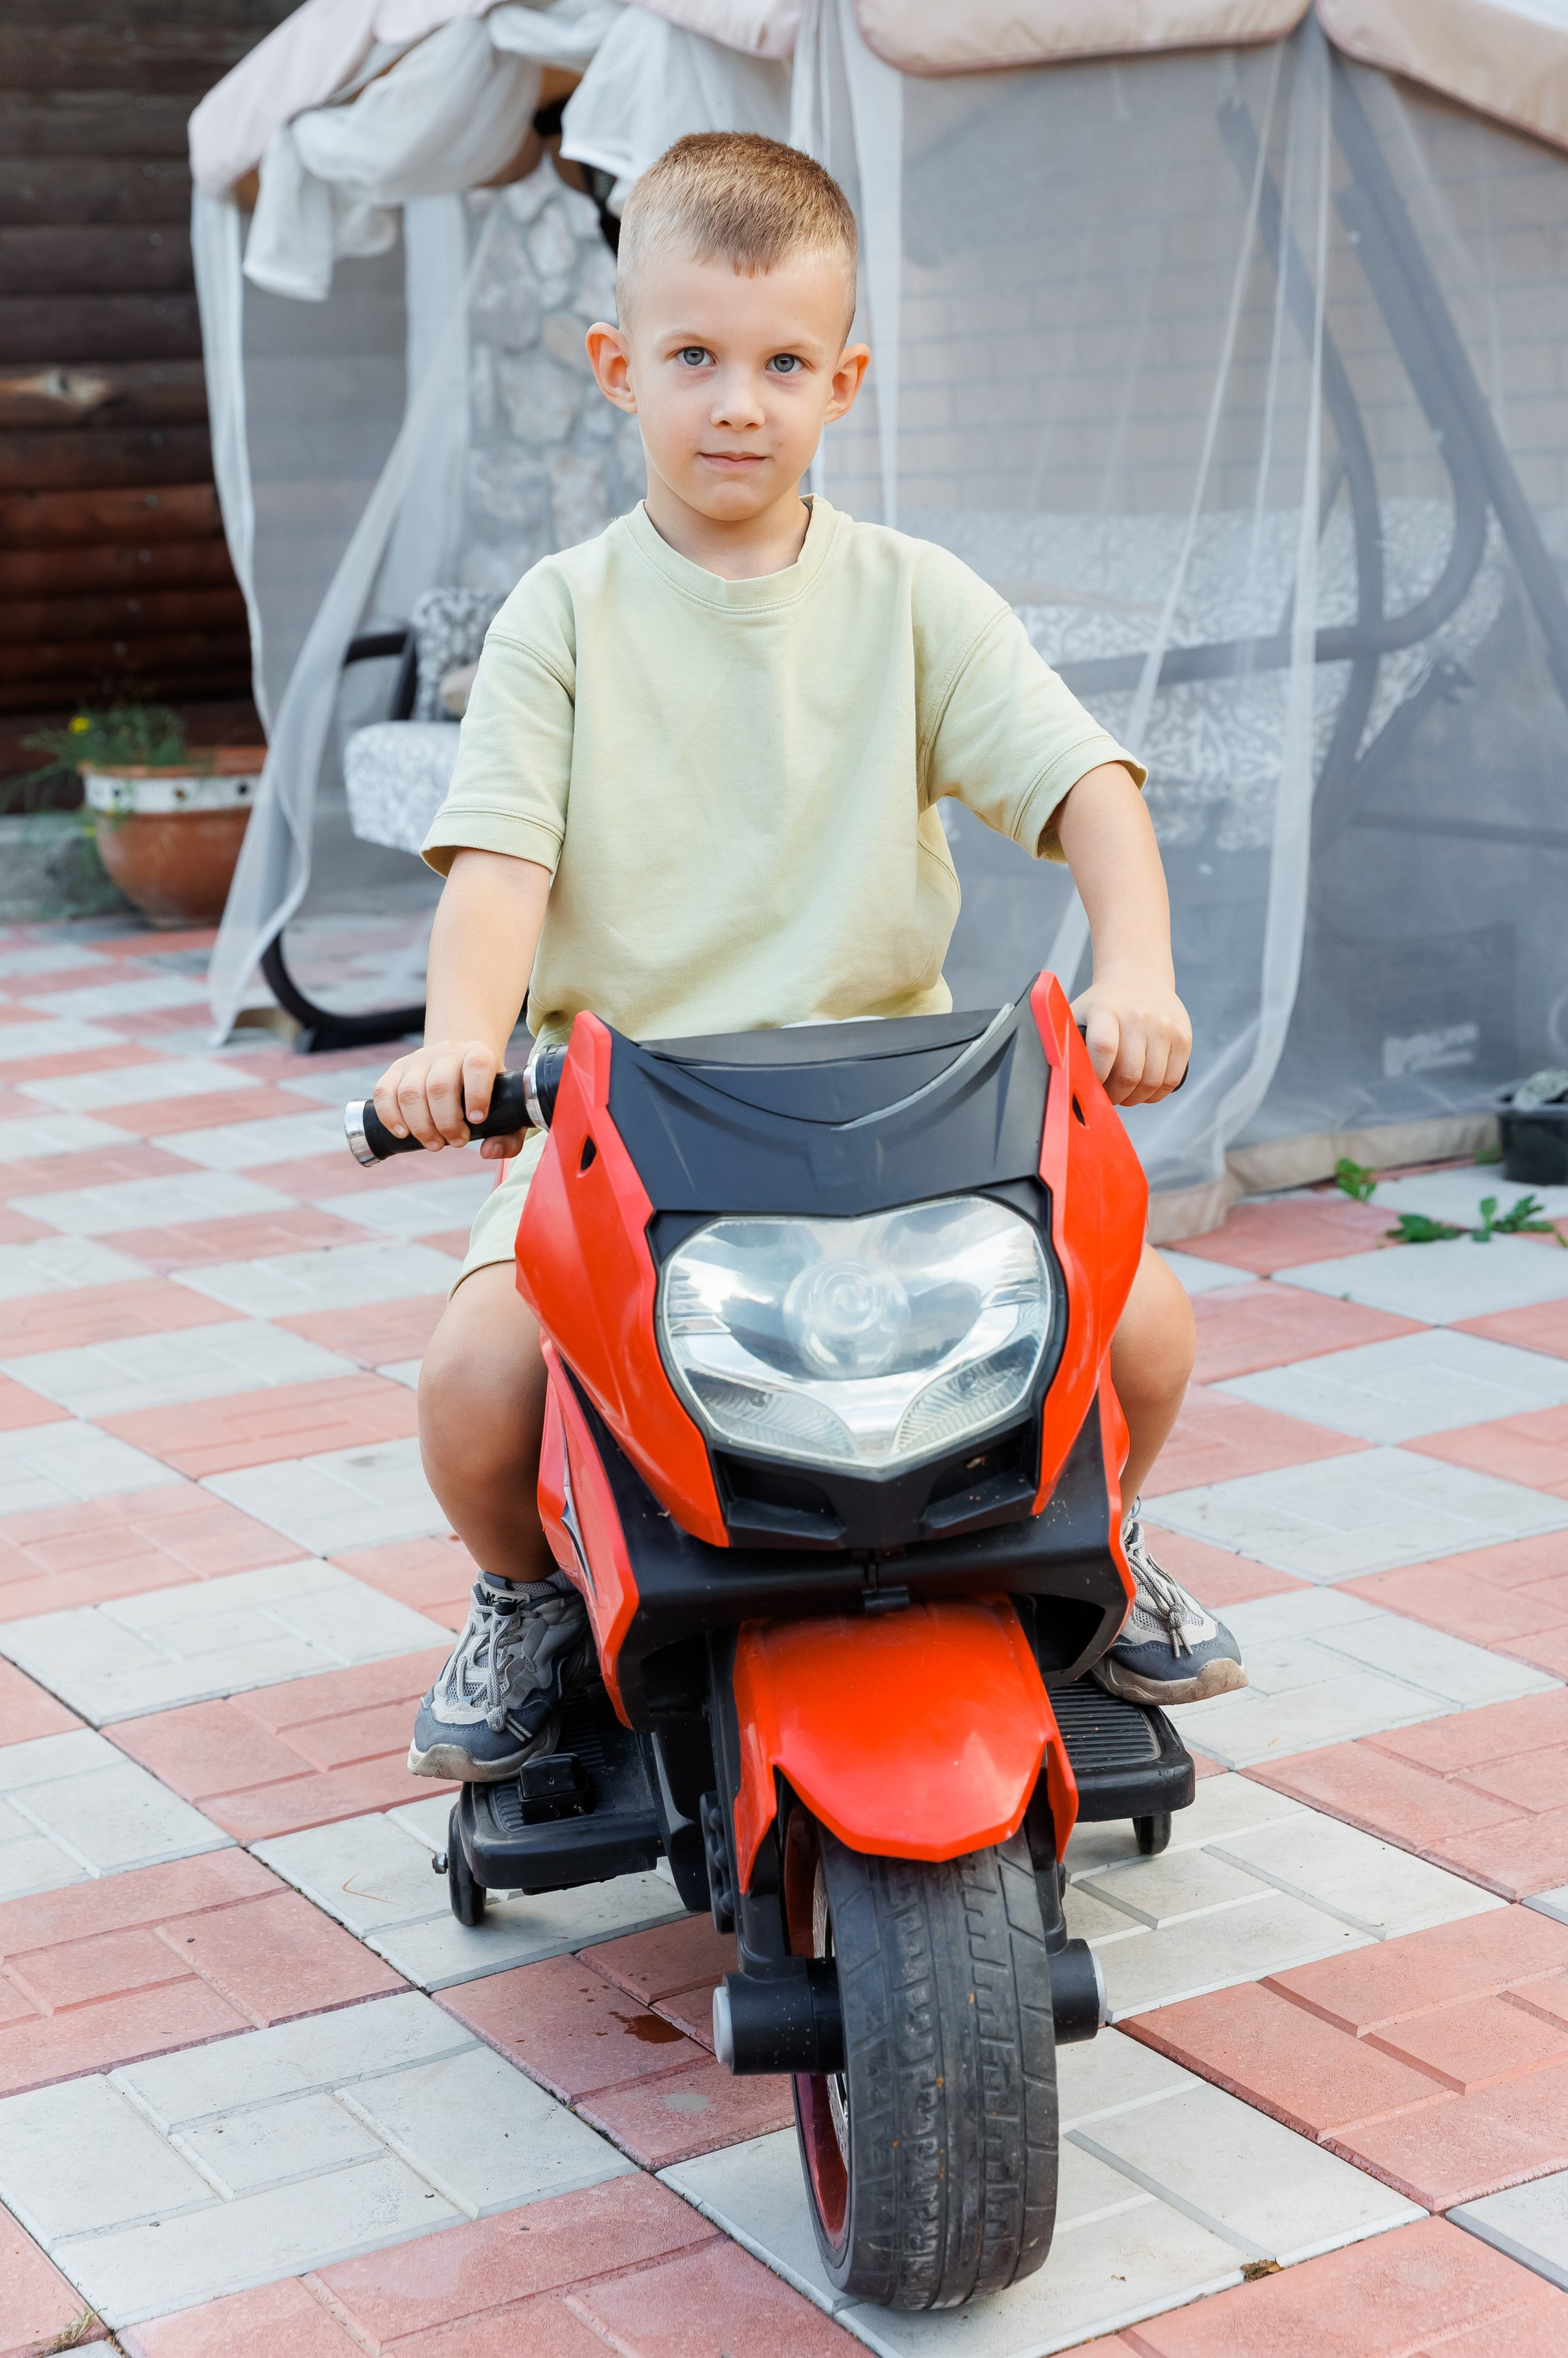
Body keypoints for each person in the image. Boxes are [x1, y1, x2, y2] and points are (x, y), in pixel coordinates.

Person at [372, 131, 1248, 1785]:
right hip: (624, 1128)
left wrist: (1136, 972)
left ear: (843, 379)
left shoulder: (911, 599)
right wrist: (462, 1041)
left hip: (898, 1125)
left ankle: (1101, 1550)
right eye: (693, 359)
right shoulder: (559, 620)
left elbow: (1084, 780)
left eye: (782, 364)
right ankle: (523, 1598)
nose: (736, 404)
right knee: (477, 1389)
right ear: (617, 367)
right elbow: (499, 867)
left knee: (1142, 1335)